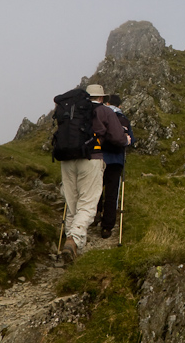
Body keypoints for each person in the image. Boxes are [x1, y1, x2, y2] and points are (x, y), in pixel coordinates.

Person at [60, 84, 130, 263]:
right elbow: (117, 137)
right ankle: (73, 241)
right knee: (88, 203)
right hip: (91, 158)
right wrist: (126, 139)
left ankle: (70, 244)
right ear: (101, 98)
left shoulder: (72, 110)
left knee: (72, 201)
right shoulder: (104, 112)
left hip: (67, 159)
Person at [96, 94, 135, 239]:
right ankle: (107, 227)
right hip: (116, 160)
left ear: (107, 103)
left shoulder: (101, 114)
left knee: (96, 188)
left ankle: (96, 212)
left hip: (99, 158)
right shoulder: (124, 119)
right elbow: (131, 140)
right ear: (120, 106)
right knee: (112, 194)